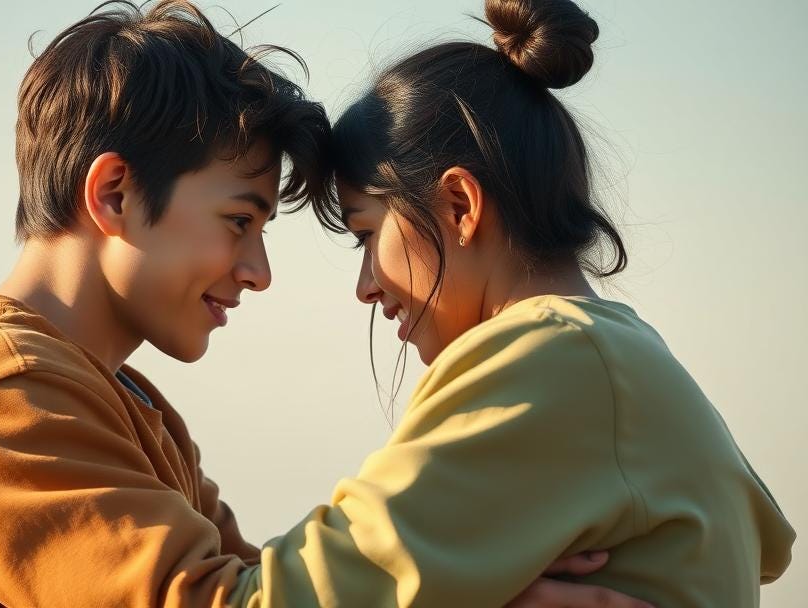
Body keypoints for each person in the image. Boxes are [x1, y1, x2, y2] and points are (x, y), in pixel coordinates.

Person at [0, 1, 656, 606]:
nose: (258, 272)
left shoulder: (122, 401)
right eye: (237, 221)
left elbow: (261, 588)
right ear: (114, 194)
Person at [282, 0, 794, 605]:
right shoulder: (615, 356)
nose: (365, 286)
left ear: (459, 206)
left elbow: (273, 599)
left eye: (367, 234)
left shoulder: (549, 361)